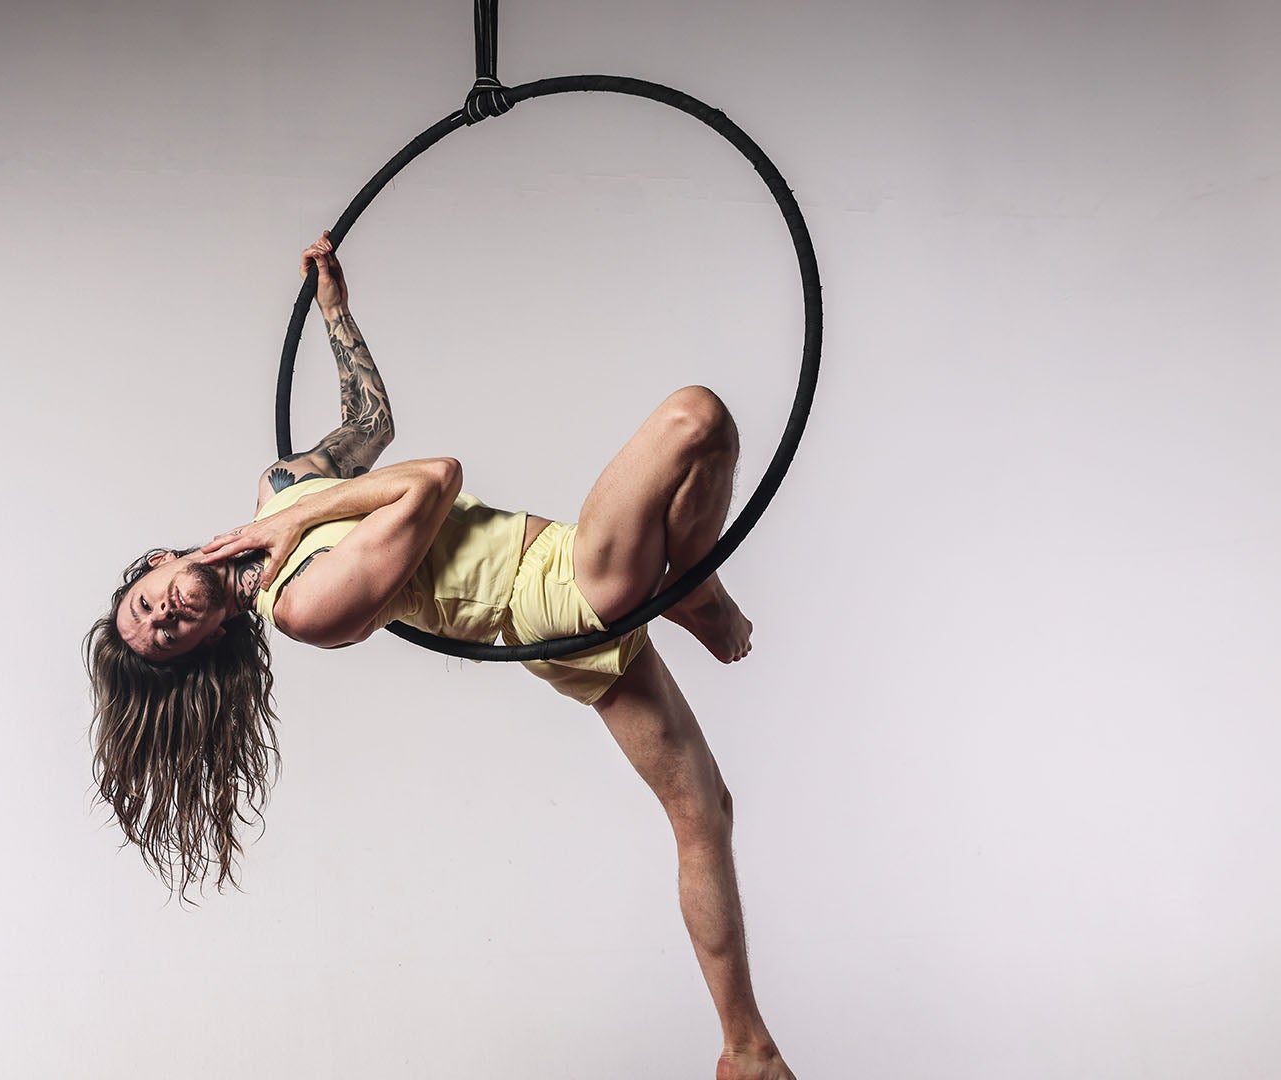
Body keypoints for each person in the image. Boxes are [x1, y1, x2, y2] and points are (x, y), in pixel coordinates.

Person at [85, 234, 794, 1080]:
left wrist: (337, 313)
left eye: (148, 603)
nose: (165, 613)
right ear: (206, 642)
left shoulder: (280, 485)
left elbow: (373, 428)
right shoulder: (302, 603)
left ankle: (745, 1048)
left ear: (155, 564)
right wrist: (294, 523)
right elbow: (434, 479)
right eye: (167, 635)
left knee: (703, 811)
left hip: (554, 596)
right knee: (695, 418)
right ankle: (693, 590)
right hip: (556, 591)